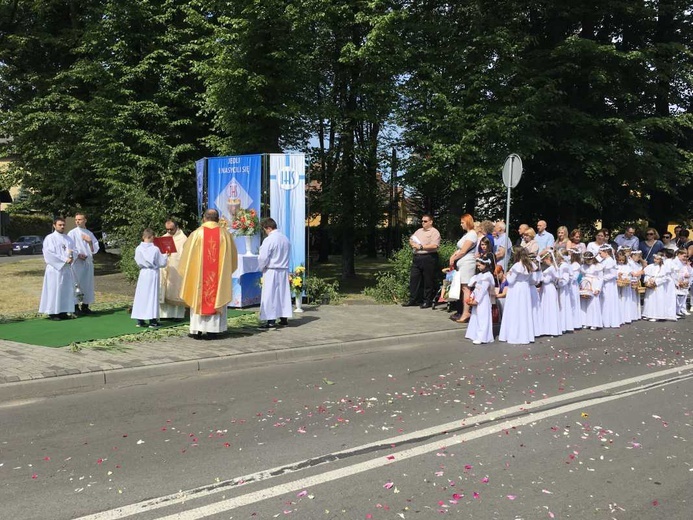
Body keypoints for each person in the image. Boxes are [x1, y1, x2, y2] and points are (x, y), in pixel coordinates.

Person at [178, 209, 238, 339]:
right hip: (217, 277)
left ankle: (197, 330)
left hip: (199, 278)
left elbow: (187, 255)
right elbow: (232, 257)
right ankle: (213, 330)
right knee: (216, 295)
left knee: (198, 296)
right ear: (217, 219)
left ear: (204, 218)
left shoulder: (196, 234)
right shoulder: (225, 234)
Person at [257, 217, 293, 328]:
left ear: (268, 228)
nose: (265, 232)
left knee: (270, 295)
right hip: (283, 269)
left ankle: (270, 320)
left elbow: (263, 257)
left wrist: (261, 267)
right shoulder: (285, 239)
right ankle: (283, 318)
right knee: (282, 294)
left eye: (264, 229)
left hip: (271, 269)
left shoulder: (269, 240)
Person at [39, 217, 77, 321]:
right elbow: (49, 253)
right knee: (54, 290)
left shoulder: (68, 238)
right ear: (54, 225)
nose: (62, 227)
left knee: (65, 290)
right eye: (60, 225)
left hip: (66, 269)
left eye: (63, 225)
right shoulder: (50, 238)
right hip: (55, 269)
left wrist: (72, 257)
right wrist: (65, 259)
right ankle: (53, 312)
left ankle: (63, 311)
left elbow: (73, 250)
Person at [131, 229, 169, 328]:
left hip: (143, 272)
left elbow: (137, 260)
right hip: (152, 273)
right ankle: (153, 321)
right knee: (152, 296)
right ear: (151, 237)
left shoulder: (138, 248)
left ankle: (140, 320)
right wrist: (166, 255)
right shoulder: (155, 249)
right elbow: (161, 263)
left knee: (141, 296)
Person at [403, 214, 441, 308]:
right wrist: (412, 243)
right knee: (414, 279)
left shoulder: (434, 232)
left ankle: (427, 301)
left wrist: (421, 246)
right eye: (422, 221)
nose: (423, 223)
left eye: (425, 221)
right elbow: (411, 239)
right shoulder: (419, 231)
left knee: (428, 280)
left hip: (428, 257)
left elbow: (435, 246)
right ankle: (413, 299)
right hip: (417, 257)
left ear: (431, 222)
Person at [498, 247, 535, 344]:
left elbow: (510, 281)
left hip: (516, 289)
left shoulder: (517, 266)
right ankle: (525, 335)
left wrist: (508, 275)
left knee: (515, 310)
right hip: (525, 288)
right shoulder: (528, 265)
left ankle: (514, 335)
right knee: (524, 311)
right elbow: (532, 280)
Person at [66, 212, 100, 315]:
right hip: (77, 262)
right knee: (76, 284)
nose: (77, 221)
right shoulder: (72, 233)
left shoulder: (89, 233)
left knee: (87, 284)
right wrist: (78, 254)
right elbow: (70, 247)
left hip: (88, 262)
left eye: (80, 219)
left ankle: (85, 306)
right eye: (76, 219)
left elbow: (95, 249)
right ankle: (75, 307)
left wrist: (89, 242)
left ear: (85, 220)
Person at [448, 214, 477, 322]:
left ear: (468, 222)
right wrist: (453, 256)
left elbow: (464, 250)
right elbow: (460, 249)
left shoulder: (472, 234)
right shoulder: (467, 234)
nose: (461, 225)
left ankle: (466, 312)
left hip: (467, 264)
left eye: (462, 222)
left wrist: (454, 258)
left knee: (466, 288)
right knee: (463, 288)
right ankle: (463, 311)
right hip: (462, 263)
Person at [159, 219, 188, 320]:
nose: (169, 231)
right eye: (167, 229)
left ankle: (177, 314)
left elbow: (185, 254)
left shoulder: (183, 238)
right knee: (165, 288)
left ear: (176, 227)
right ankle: (164, 314)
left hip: (177, 268)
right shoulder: (164, 237)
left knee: (176, 288)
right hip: (166, 267)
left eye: (171, 229)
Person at [465, 257, 495, 345]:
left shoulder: (487, 276)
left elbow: (483, 290)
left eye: (479, 265)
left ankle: (482, 337)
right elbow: (473, 286)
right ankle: (474, 334)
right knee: (475, 316)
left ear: (485, 265)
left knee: (483, 317)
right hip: (477, 296)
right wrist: (472, 296)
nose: (478, 267)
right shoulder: (480, 275)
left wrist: (477, 300)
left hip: (483, 298)